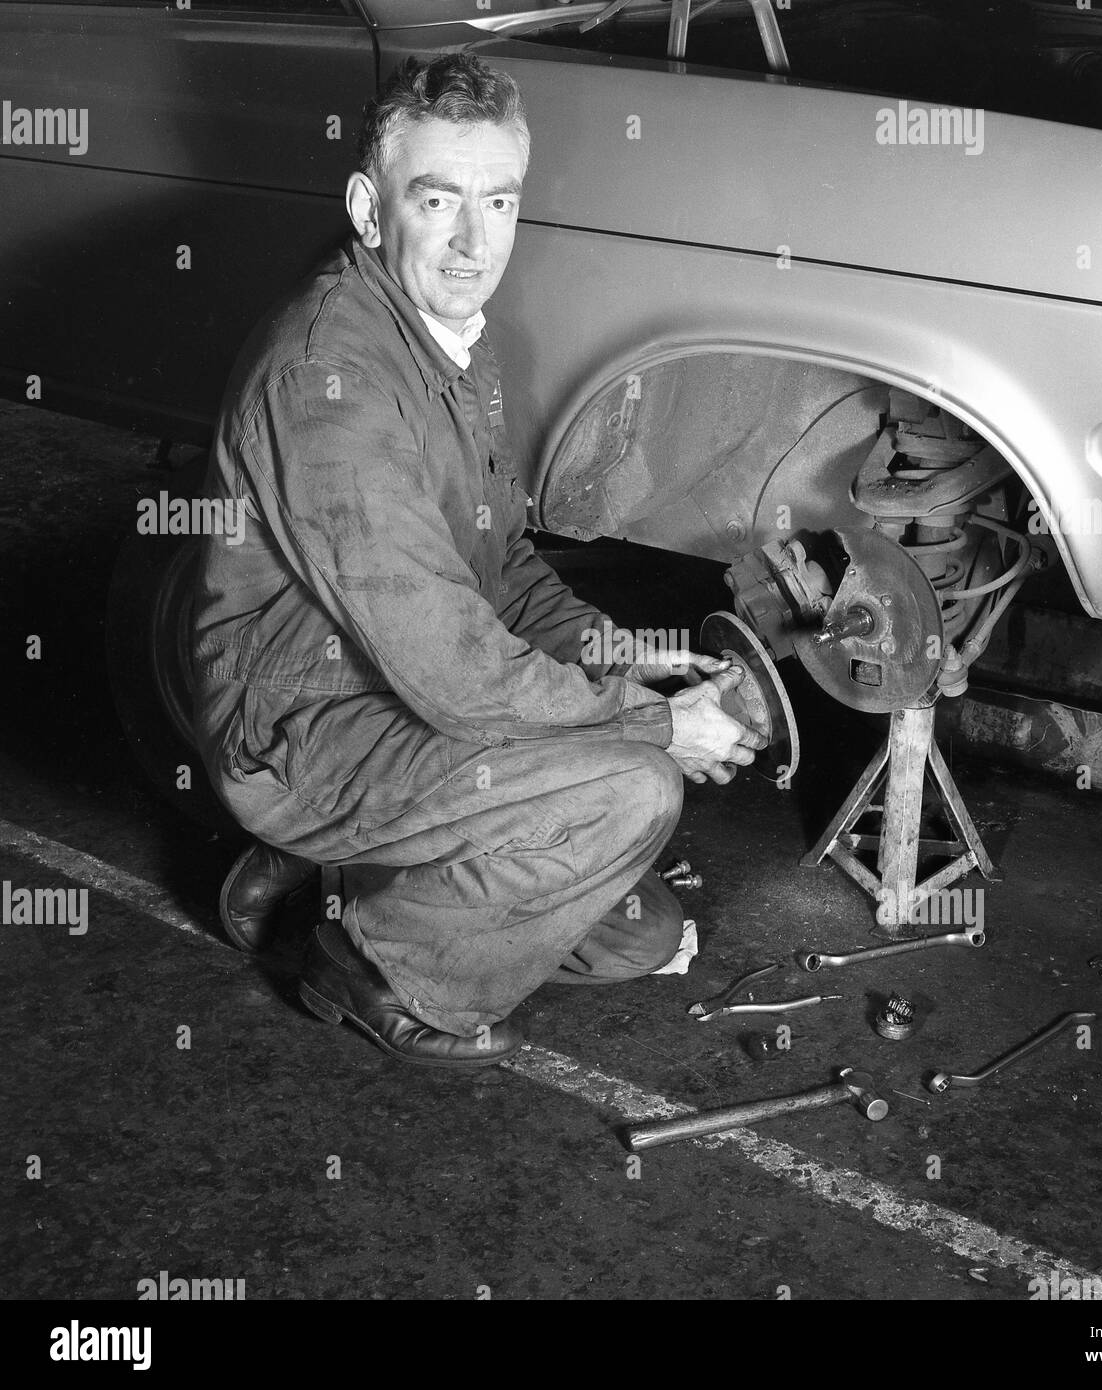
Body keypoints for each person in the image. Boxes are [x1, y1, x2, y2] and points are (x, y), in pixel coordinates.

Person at [190, 54, 762, 1069]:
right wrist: (659, 723)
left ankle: (325, 871)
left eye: (497, 200)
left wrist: (639, 660)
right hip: (302, 720)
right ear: (370, 207)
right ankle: (370, 966)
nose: (472, 241)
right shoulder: (331, 379)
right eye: (437, 198)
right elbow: (452, 662)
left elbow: (504, 574)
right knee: (631, 793)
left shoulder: (451, 334)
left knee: (639, 933)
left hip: (390, 684)